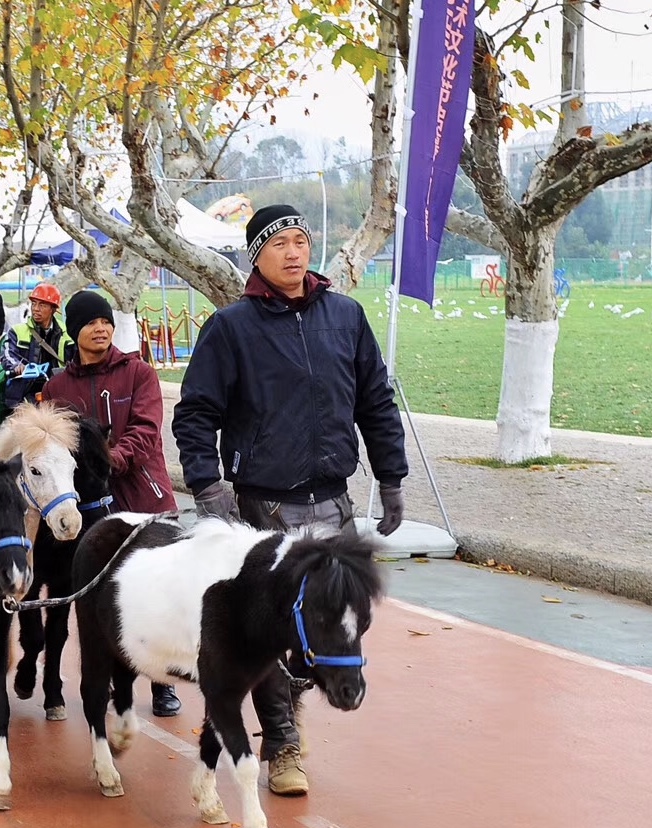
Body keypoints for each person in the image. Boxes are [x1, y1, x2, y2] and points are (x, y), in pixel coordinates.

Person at [172, 203, 409, 797]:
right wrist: (208, 483)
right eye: (279, 244)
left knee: (334, 620)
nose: (294, 252)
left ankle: (300, 707)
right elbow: (196, 413)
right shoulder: (231, 328)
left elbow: (375, 402)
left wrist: (391, 476)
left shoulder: (346, 318)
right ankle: (282, 746)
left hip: (332, 500)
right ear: (258, 255)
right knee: (270, 631)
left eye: (302, 240)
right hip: (261, 509)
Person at [43, 290, 183, 717]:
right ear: (75, 331)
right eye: (90, 323)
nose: (101, 328)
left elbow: (146, 429)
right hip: (85, 509)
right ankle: (99, 679)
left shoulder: (139, 373)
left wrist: (108, 461)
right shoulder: (56, 387)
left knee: (158, 594)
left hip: (143, 498)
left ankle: (161, 682)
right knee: (93, 596)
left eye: (105, 321)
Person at [0, 282, 70, 406]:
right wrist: (17, 366)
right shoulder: (17, 331)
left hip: (58, 391)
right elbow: (7, 354)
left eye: (42, 305)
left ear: (53, 309)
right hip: (24, 392)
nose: (36, 309)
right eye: (34, 304)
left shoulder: (67, 333)